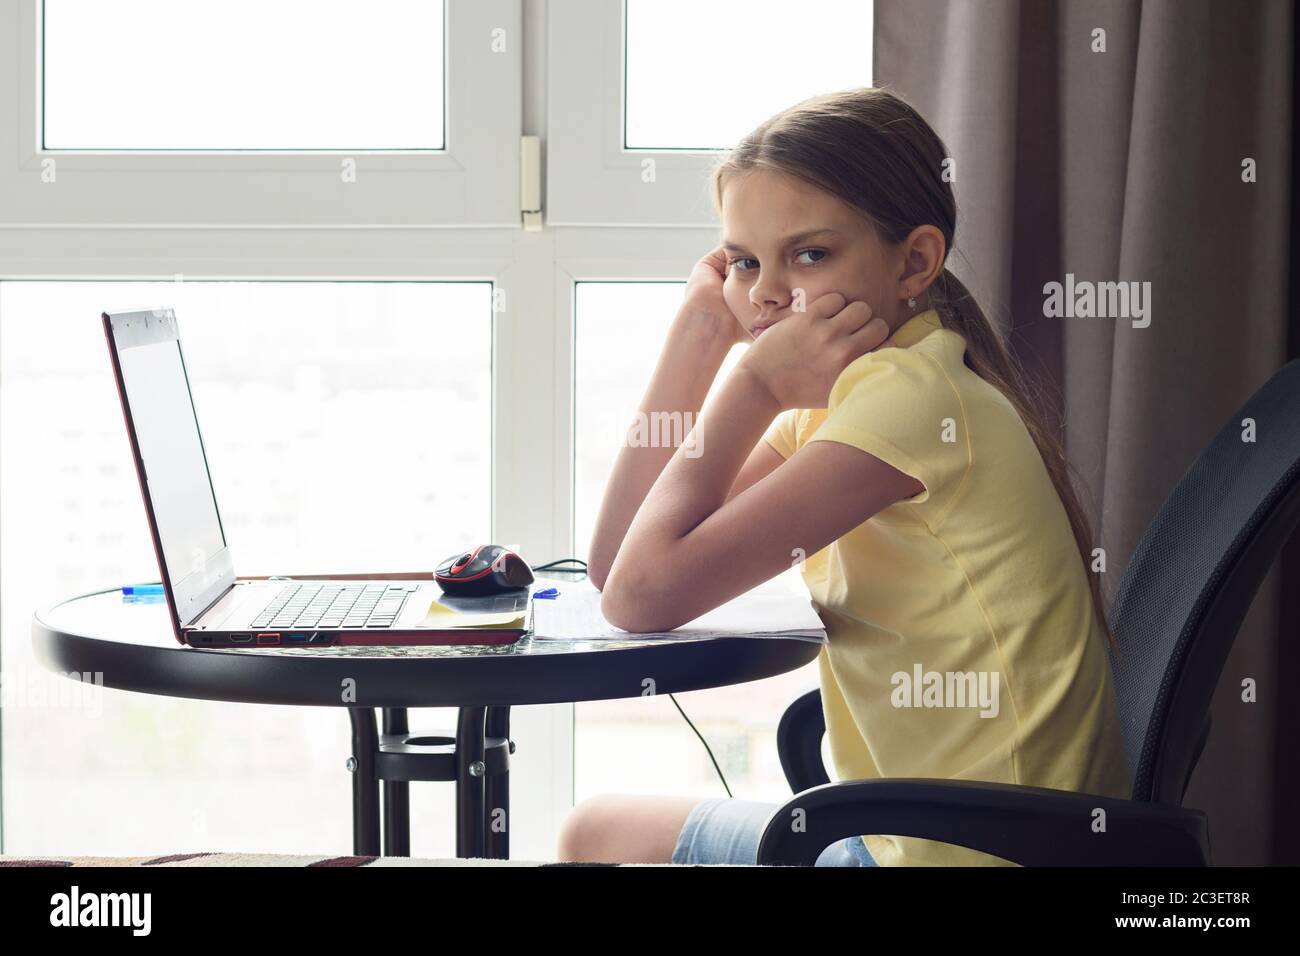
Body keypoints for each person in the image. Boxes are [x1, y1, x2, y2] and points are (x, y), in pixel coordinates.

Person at [557, 86, 1131, 866]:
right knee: (596, 832)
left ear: (915, 260)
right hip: (904, 832)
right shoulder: (848, 397)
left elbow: (639, 598)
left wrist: (750, 384)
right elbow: (618, 561)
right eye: (744, 262)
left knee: (596, 839)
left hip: (967, 853)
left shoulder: (909, 402)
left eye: (810, 254)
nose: (764, 293)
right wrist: (699, 334)